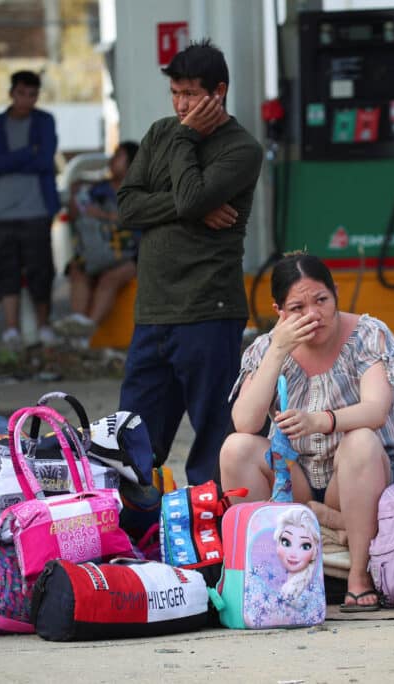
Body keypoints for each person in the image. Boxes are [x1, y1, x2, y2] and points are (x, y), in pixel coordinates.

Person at [220, 253, 394, 612]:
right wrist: (277, 350)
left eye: (321, 300)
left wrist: (320, 420)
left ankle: (359, 574)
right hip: (300, 477)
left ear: (336, 293)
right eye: (296, 307)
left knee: (361, 440)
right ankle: (269, 573)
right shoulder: (267, 347)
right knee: (236, 449)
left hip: (363, 472)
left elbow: (375, 408)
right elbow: (244, 421)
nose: (312, 314)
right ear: (279, 310)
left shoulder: (369, 334)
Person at [116, 40, 263, 486]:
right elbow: (127, 206)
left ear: (219, 91)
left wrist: (187, 152)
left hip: (208, 310)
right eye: (175, 93)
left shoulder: (241, 149)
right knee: (130, 442)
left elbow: (190, 194)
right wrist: (193, 207)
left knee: (216, 442)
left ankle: (219, 539)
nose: (181, 105)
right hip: (154, 311)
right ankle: (136, 534)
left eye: (191, 94)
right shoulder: (161, 133)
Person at [0, 70, 60, 349]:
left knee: (41, 270)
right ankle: (11, 329)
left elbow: (45, 160)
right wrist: (28, 153)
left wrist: (10, 160)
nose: (27, 99)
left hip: (37, 209)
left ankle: (44, 326)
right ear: (12, 93)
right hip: (3, 211)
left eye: (33, 94)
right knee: (6, 272)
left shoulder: (45, 122)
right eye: (22, 93)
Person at [54, 141, 140, 345]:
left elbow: (139, 220)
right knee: (77, 270)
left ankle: (86, 331)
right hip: (99, 252)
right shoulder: (97, 189)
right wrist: (75, 197)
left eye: (118, 156)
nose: (112, 160)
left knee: (109, 278)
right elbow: (76, 215)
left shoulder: (139, 191)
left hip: (131, 255)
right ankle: (80, 325)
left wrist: (103, 215)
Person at [275, 507, 320, 602]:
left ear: (314, 552)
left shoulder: (309, 592)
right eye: (286, 543)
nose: (293, 554)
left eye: (305, 546)